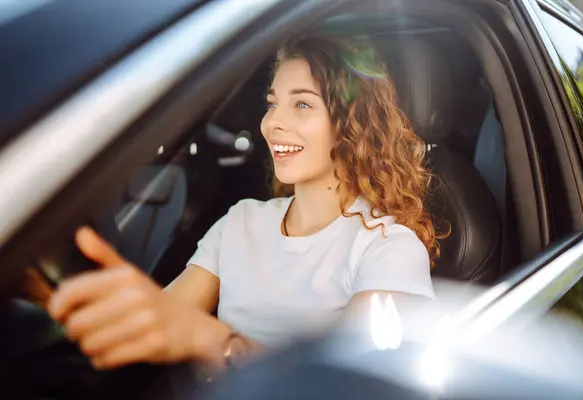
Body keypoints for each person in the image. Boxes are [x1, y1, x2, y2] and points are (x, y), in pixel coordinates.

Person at [40, 33, 441, 371]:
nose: (272, 123)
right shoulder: (242, 221)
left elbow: (351, 387)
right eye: (272, 103)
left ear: (352, 122)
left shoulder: (389, 249)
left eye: (301, 104)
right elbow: (153, 322)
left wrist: (209, 339)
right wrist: (48, 291)